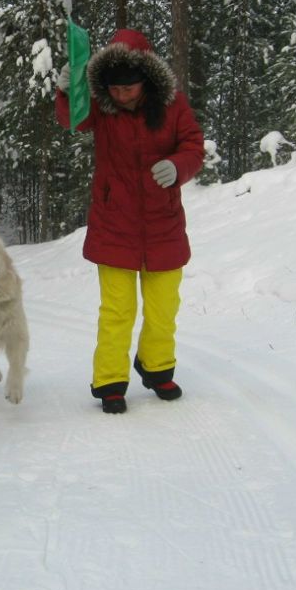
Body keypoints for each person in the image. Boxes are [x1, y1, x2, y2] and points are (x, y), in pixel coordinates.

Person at [54, 28, 204, 414]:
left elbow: (193, 146)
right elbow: (72, 120)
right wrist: (67, 90)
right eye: (116, 89)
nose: (123, 95)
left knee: (163, 306)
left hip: (164, 224)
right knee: (117, 310)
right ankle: (109, 382)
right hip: (113, 224)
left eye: (130, 88)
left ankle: (156, 368)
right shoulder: (102, 109)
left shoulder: (173, 105)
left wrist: (178, 165)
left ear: (147, 79)